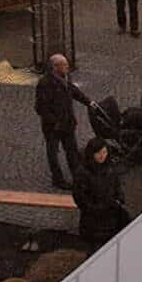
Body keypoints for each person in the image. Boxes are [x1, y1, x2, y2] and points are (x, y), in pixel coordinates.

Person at [34, 54, 89, 190]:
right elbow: (40, 107)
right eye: (64, 65)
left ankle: (77, 176)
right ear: (55, 67)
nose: (67, 67)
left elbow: (73, 91)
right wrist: (54, 121)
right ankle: (57, 179)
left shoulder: (65, 77)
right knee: (53, 153)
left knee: (72, 151)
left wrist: (88, 102)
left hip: (67, 122)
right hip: (53, 127)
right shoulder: (45, 83)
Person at [72, 138, 129, 248]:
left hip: (111, 219)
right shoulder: (82, 173)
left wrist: (119, 197)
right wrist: (98, 209)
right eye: (98, 153)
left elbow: (117, 185)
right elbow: (81, 199)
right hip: (93, 223)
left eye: (104, 152)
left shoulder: (110, 167)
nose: (102, 156)